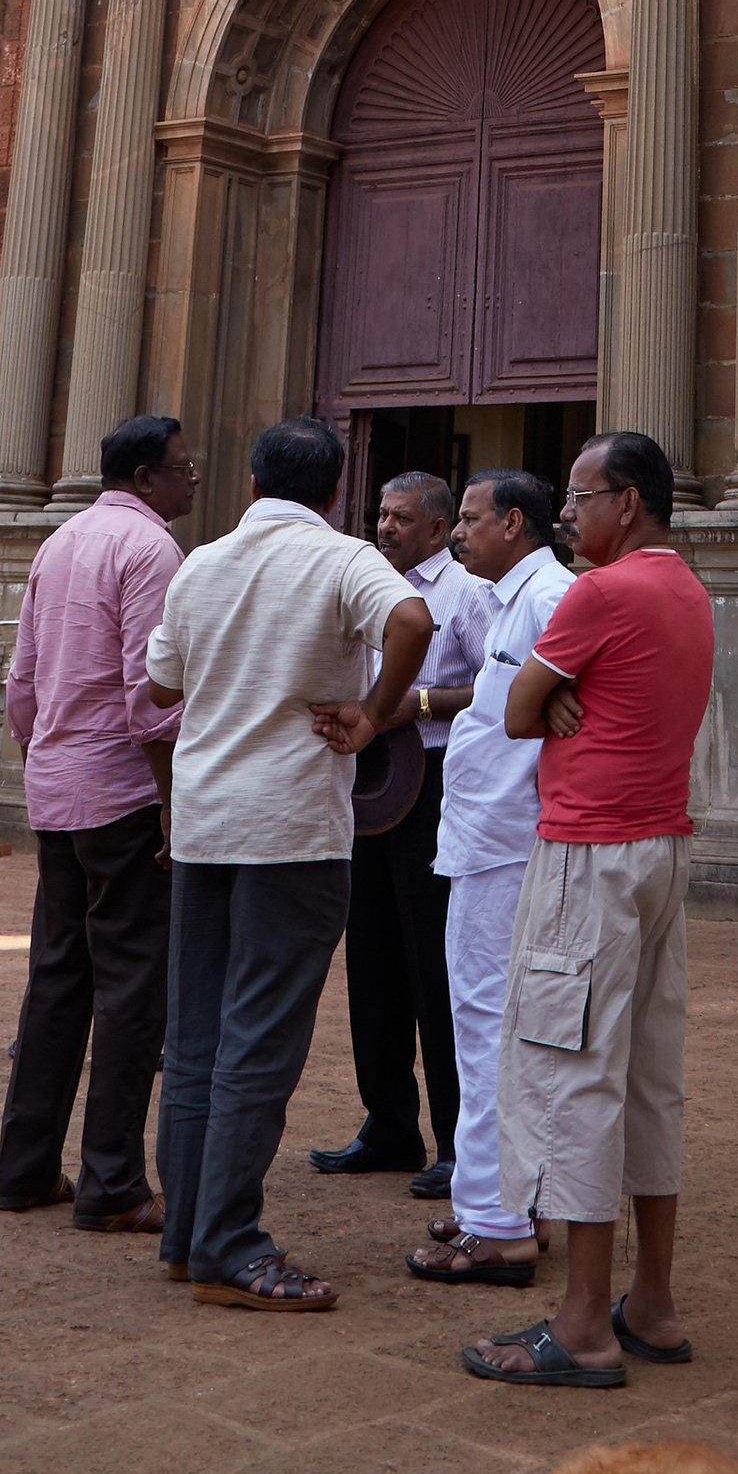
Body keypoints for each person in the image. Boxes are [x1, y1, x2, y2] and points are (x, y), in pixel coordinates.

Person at [144, 416, 432, 1310]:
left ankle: (190, 1235)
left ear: (253, 478)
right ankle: (229, 1243)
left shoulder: (201, 564)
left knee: (196, 1037)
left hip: (203, 822)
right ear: (336, 491)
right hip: (293, 828)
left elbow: (161, 685)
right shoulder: (340, 559)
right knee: (260, 1041)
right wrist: (376, 714)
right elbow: (413, 618)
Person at [463, 428, 716, 1396]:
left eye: (581, 495)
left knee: (569, 1073)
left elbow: (517, 712)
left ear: (631, 503)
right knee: (648, 1074)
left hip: (587, 855)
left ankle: (580, 1324)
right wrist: (562, 693)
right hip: (660, 849)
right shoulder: (684, 588)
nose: (567, 512)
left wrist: (557, 694)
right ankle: (648, 1301)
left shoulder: (599, 594)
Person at [0, 413, 195, 1233]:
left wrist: (46, 749)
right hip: (122, 793)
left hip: (56, 787)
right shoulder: (151, 551)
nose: (190, 480)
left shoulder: (60, 541)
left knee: (57, 979)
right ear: (145, 477)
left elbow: (22, 680)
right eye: (181, 468)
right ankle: (112, 1181)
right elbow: (150, 697)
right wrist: (172, 800)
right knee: (134, 990)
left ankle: (25, 1167)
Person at [311, 469, 493, 1197]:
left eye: (400, 517)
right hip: (369, 779)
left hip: (437, 784)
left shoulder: (466, 594)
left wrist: (410, 703)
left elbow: (496, 686)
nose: (384, 526)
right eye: (380, 513)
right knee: (372, 955)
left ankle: (454, 1140)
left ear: (438, 525)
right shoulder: (362, 586)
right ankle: (387, 1123)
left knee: (434, 960)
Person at [408, 470, 568, 1286]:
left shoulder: (549, 597)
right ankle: (506, 1196)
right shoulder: (512, 598)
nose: (457, 531)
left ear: (513, 522)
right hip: (485, 835)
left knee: (483, 1027)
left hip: (506, 843)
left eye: (469, 518)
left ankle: (497, 1223)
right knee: (495, 1024)